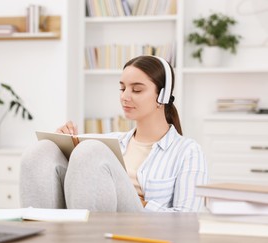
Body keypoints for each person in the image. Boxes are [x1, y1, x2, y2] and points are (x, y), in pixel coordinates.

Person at [20, 55, 208, 212]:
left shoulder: (187, 151)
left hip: (144, 231)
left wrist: (143, 204)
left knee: (91, 150)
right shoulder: (111, 141)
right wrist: (61, 145)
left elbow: (187, 220)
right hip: (95, 221)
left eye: (136, 89)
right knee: (42, 151)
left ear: (163, 96)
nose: (125, 96)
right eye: (122, 88)